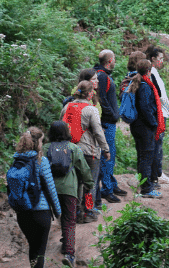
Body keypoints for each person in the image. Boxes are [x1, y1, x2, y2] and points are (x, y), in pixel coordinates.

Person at [44, 121, 94, 267]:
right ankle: (69, 253)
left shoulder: (46, 148)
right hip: (69, 190)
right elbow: (84, 169)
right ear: (67, 132)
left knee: (50, 218)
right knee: (69, 221)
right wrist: (89, 184)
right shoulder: (73, 148)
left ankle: (39, 251)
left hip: (50, 189)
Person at [10, 127, 62, 268]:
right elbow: (50, 188)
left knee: (33, 248)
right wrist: (58, 212)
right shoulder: (41, 161)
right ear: (37, 142)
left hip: (23, 214)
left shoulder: (16, 160)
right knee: (40, 252)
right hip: (41, 213)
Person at [61, 80, 110, 223]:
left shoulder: (67, 107)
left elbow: (60, 126)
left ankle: (74, 212)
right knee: (90, 183)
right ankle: (88, 211)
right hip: (89, 152)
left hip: (70, 151)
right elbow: (98, 132)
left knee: (75, 182)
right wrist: (106, 149)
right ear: (90, 94)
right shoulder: (91, 109)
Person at [93, 50, 127, 204]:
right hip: (107, 123)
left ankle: (111, 184)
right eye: (114, 59)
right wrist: (112, 114)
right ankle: (106, 189)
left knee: (110, 155)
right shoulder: (101, 76)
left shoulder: (103, 74)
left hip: (108, 122)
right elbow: (101, 100)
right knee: (107, 156)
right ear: (110, 60)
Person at [128, 59, 166, 198]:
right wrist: (154, 123)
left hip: (137, 126)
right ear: (149, 71)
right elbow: (145, 108)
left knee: (142, 156)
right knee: (146, 157)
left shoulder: (138, 83)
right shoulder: (144, 86)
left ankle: (144, 184)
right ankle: (147, 189)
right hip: (144, 127)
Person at [146, 46, 169, 187]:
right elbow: (160, 95)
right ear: (153, 59)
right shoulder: (151, 72)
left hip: (162, 112)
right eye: (160, 59)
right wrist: (167, 108)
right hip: (159, 113)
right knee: (157, 145)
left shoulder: (154, 72)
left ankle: (157, 172)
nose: (162, 61)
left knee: (158, 145)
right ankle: (156, 174)